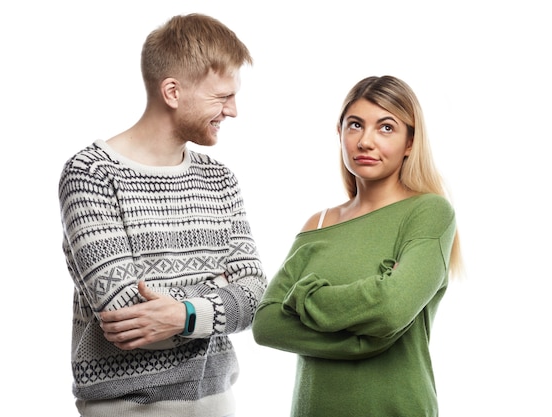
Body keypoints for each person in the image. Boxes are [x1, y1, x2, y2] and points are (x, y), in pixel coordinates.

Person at [58, 13, 266, 417]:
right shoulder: (92, 174)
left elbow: (256, 296)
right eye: (223, 96)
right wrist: (216, 292)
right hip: (124, 408)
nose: (234, 110)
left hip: (218, 403)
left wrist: (181, 312)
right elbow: (125, 320)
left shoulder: (219, 179)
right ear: (172, 91)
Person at [252, 75, 462, 417]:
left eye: (386, 128)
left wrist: (304, 297)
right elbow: (267, 325)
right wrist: (364, 340)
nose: (365, 141)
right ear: (340, 133)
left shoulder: (429, 212)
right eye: (355, 125)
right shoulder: (318, 224)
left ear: (410, 142)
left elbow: (390, 309)